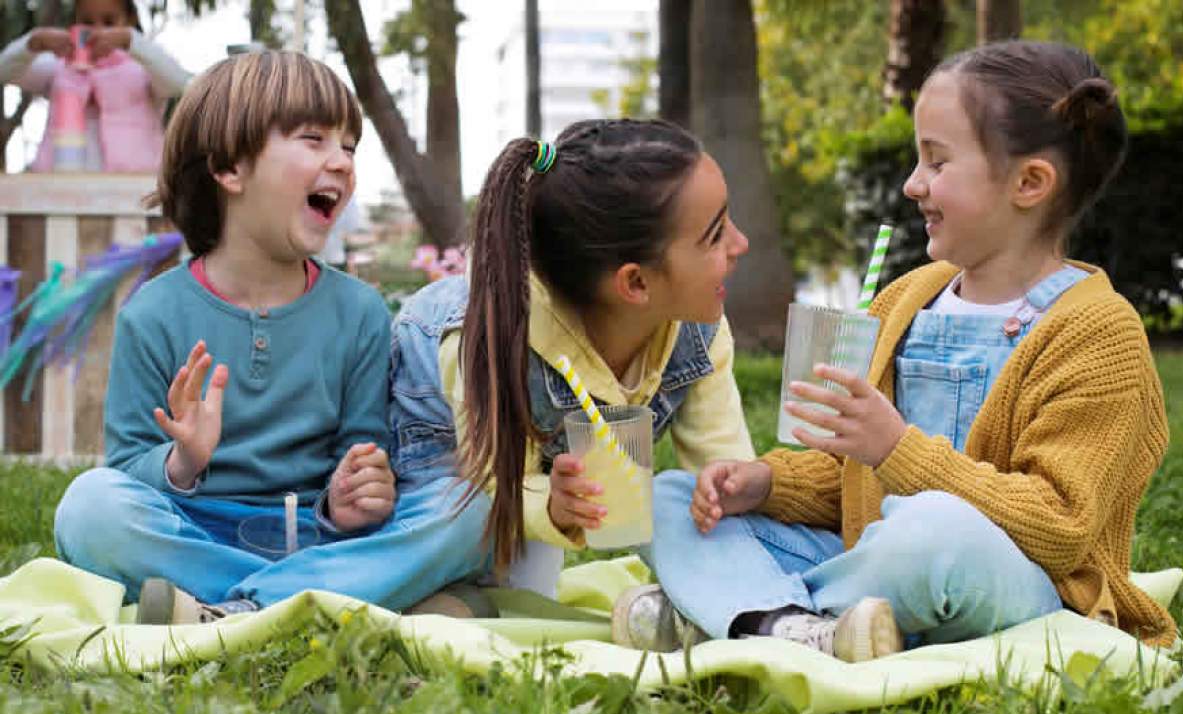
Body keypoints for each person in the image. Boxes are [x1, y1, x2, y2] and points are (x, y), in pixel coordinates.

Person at [615, 40, 1177, 659]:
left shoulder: (1098, 333)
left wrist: (895, 448)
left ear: (1029, 182)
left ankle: (730, 608)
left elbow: (1058, 526)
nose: (913, 184)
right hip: (868, 558)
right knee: (669, 500)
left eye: (937, 162)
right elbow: (849, 480)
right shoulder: (907, 299)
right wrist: (767, 483)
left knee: (933, 532)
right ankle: (796, 624)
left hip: (1006, 581)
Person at [53, 51, 488, 624]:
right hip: (197, 535)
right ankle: (348, 599)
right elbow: (127, 467)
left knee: (475, 505)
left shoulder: (360, 311)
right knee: (88, 508)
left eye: (349, 147)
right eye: (314, 139)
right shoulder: (152, 314)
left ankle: (233, 611)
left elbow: (362, 452)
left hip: (322, 540)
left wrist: (354, 494)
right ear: (229, 169)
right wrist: (183, 460)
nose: (342, 161)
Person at [390, 119, 755, 601]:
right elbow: (494, 483)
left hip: (531, 470)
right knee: (465, 534)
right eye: (715, 235)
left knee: (531, 579)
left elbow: (725, 467)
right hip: (447, 437)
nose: (741, 244)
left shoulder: (698, 330)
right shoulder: (488, 339)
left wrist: (732, 491)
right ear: (636, 283)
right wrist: (551, 507)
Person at [0, 0, 190, 173]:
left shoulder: (143, 70)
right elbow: (4, 72)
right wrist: (33, 43)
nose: (98, 31)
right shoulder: (59, 67)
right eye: (87, 22)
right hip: (62, 189)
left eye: (109, 22)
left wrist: (131, 41)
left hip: (133, 188)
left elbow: (178, 83)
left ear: (130, 20)